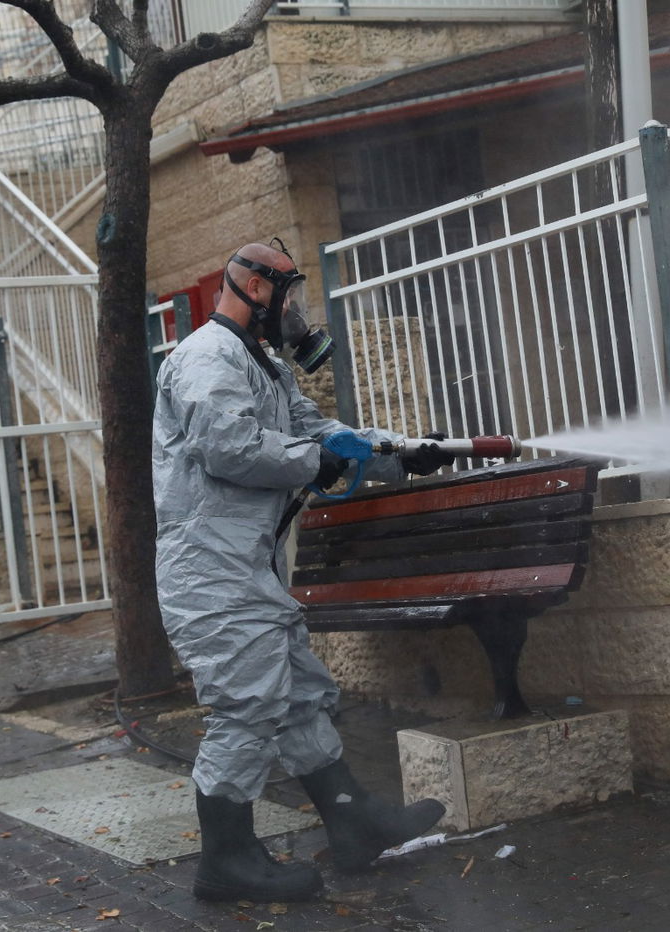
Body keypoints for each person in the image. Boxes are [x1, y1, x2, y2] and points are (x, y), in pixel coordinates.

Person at [151, 240, 455, 902]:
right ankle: (225, 859)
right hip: (211, 571)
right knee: (247, 705)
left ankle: (353, 821)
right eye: (292, 296)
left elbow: (319, 435)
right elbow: (228, 446)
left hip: (249, 566)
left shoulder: (265, 365)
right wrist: (315, 461)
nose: (298, 311)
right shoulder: (206, 357)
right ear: (257, 289)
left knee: (295, 694)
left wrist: (399, 452)